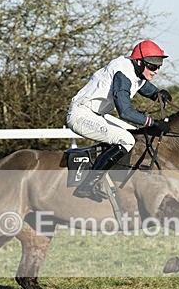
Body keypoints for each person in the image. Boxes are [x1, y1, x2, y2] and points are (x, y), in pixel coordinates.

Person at [66, 40, 173, 201]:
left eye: (159, 65)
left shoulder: (132, 69)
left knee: (132, 135)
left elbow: (140, 84)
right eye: (152, 66)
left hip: (94, 114)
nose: (156, 70)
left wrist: (157, 93)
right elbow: (125, 112)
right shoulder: (123, 74)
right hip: (80, 115)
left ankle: (108, 177)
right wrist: (154, 123)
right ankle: (86, 186)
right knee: (126, 140)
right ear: (139, 62)